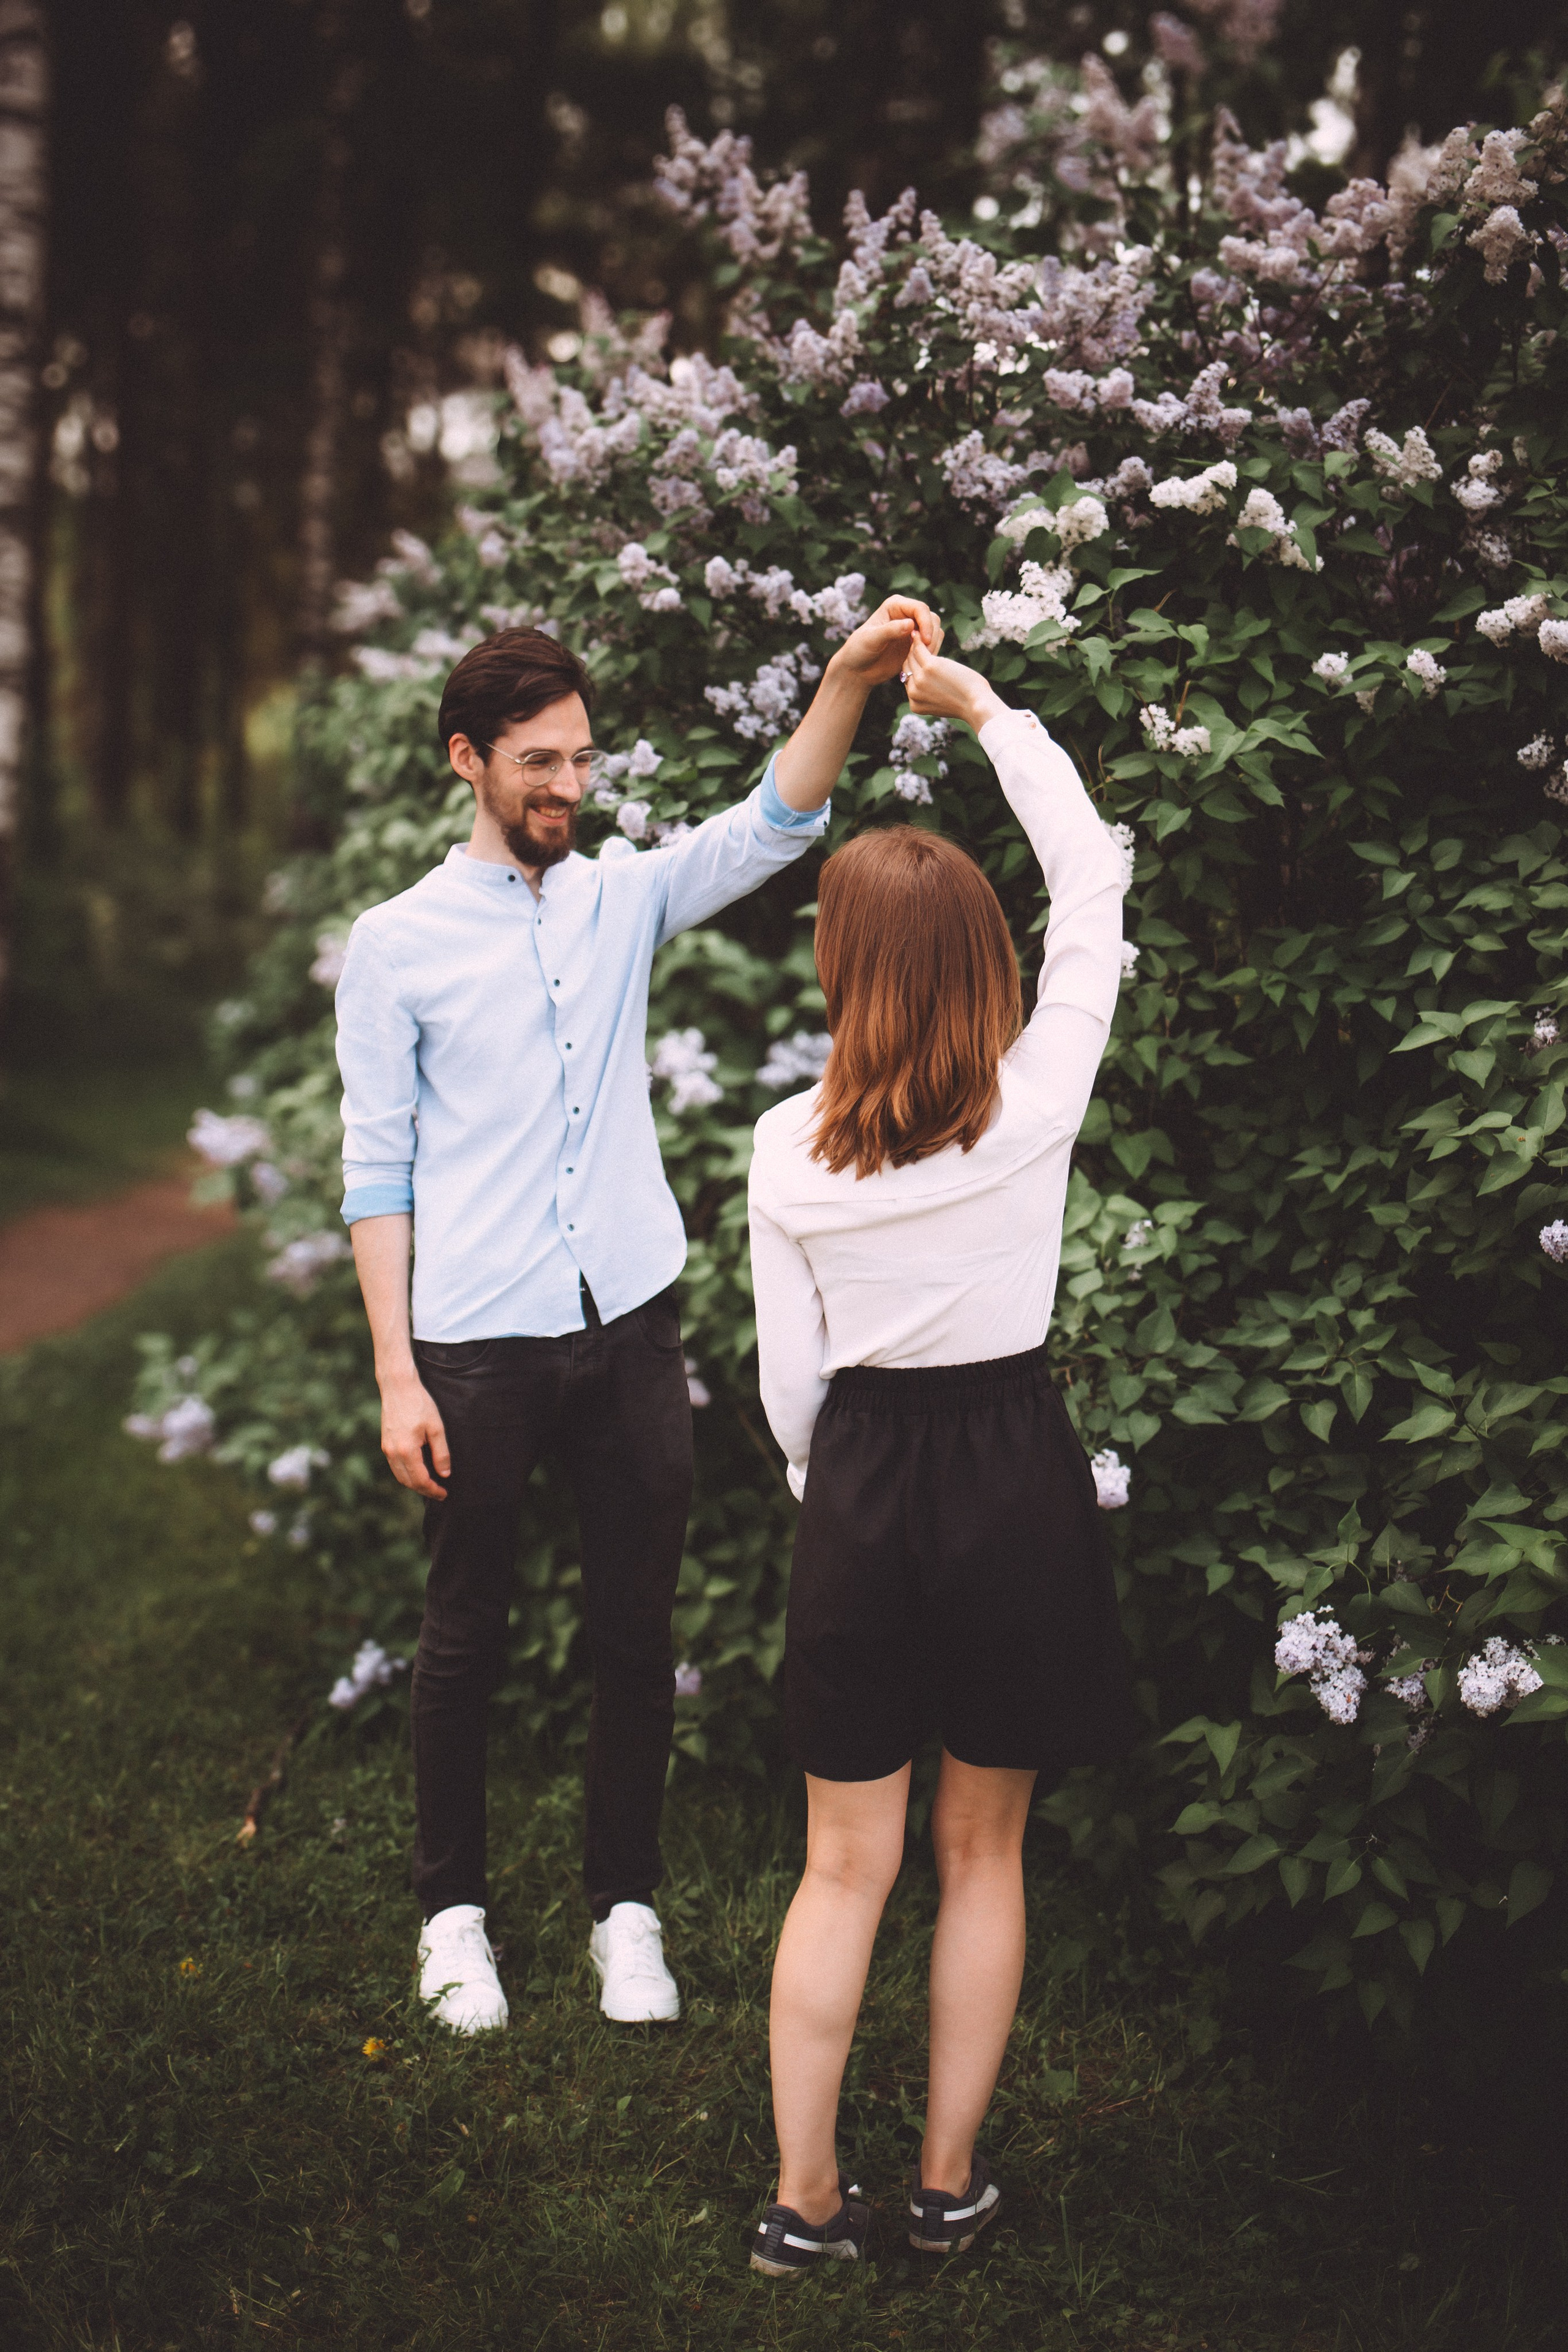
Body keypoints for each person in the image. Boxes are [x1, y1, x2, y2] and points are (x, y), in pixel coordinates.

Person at [335, 605, 939, 2035]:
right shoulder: (394, 944)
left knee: (631, 1629)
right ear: (464, 761)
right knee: (464, 1632)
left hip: (629, 1325)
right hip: (473, 1341)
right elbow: (376, 1168)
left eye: (582, 762)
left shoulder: (616, 899)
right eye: (537, 763)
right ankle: (453, 1919)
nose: (565, 787)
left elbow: (773, 824)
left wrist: (846, 680)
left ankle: (625, 1912)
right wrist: (394, 1375)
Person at [745, 627, 1139, 2274]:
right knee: (983, 1849)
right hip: (1009, 1482)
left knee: (846, 1866)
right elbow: (1093, 883)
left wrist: (825, 1498)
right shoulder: (1036, 1097)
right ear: (982, 964)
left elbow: (787, 1390)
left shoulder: (784, 1150)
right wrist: (984, 708)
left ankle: (803, 2203)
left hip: (863, 1488)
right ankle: (948, 2182)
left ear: (845, 973)